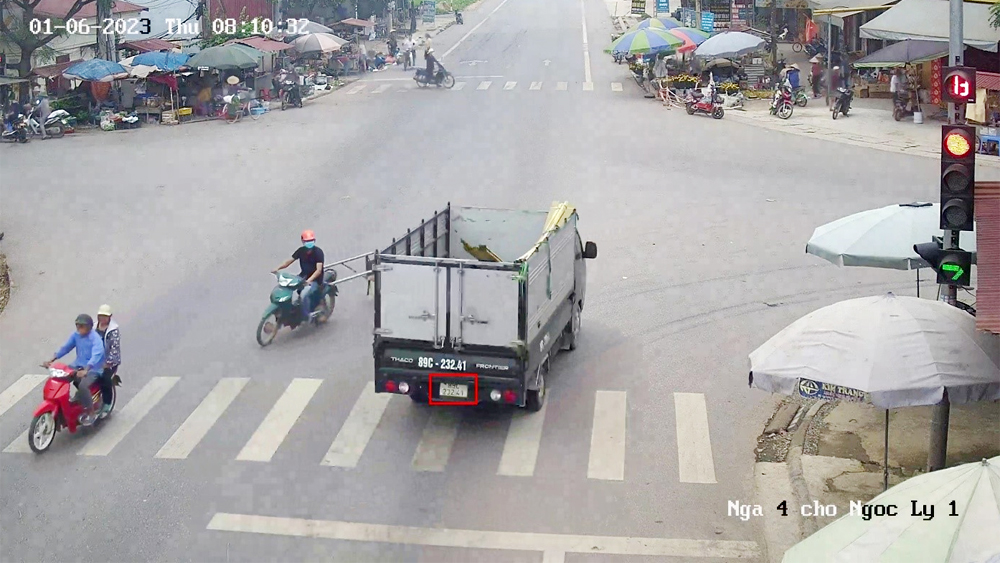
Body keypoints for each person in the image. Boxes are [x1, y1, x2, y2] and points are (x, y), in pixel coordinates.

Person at [44, 314, 105, 425]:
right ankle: (63, 405)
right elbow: (66, 347)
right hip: (78, 366)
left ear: (89, 327)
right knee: (60, 378)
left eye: (82, 326)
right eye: (78, 326)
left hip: (93, 369)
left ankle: (91, 412)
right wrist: (52, 359)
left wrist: (86, 369)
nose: (79, 329)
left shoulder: (95, 339)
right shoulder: (76, 335)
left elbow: (97, 355)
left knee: (83, 386)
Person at [272, 230, 325, 320]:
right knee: (287, 287)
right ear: (303, 241)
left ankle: (307, 316)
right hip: (303, 276)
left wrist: (309, 280)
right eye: (307, 241)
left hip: (315, 279)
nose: (309, 243)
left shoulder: (318, 252)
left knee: (304, 294)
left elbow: (318, 270)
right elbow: (288, 261)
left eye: (311, 241)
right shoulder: (301, 251)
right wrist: (277, 268)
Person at [95, 304, 120, 417]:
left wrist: (107, 364)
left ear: (110, 317)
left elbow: (114, 349)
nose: (102, 319)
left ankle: (107, 404)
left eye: (105, 316)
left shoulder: (113, 331)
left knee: (105, 379)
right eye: (100, 316)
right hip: (95, 360)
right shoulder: (94, 327)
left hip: (109, 362)